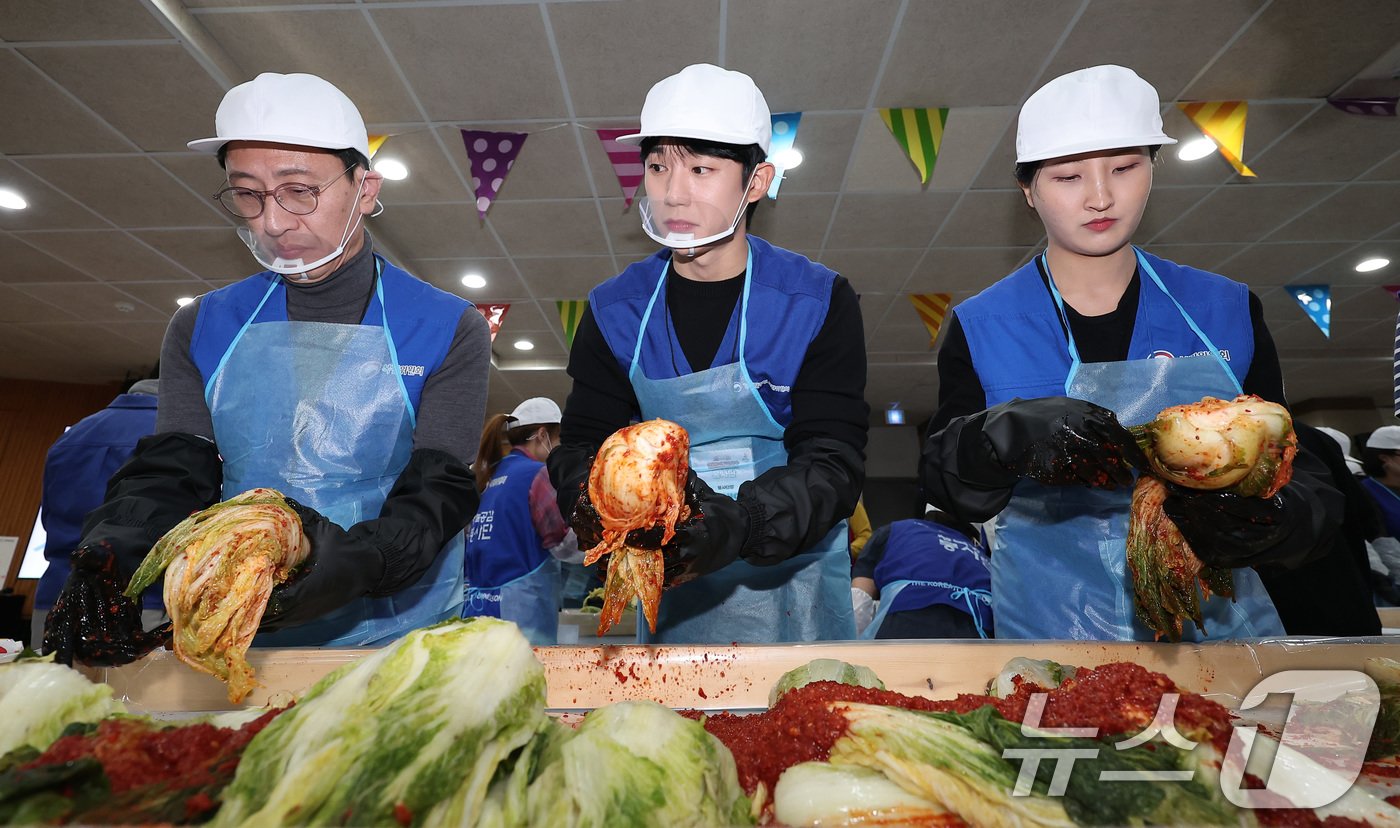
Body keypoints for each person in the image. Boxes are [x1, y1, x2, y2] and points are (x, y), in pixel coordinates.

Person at [46, 73, 490, 658]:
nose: (272, 222)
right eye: (248, 194)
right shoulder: (201, 324)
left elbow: (437, 487)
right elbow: (175, 467)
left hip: (398, 631)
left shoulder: (446, 325)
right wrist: (114, 547)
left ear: (364, 188)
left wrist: (356, 563)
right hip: (237, 618)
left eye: (298, 190)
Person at [920, 65, 1341, 641]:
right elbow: (948, 486)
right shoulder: (981, 324)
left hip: (1215, 623)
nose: (1099, 197)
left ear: (1151, 170)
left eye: (1123, 168)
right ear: (1029, 191)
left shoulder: (1226, 308)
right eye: (1068, 177)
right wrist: (994, 438)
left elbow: (1294, 461)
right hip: (1050, 626)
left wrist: (1283, 520)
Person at [549, 64, 868, 644]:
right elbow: (581, 447)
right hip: (665, 582)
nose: (673, 192)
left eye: (702, 169)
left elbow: (832, 460)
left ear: (756, 181)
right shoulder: (614, 310)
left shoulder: (816, 301)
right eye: (658, 166)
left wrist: (736, 525)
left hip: (792, 578)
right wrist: (601, 506)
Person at [31, 380, 162, 649]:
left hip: (56, 595)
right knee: (129, 691)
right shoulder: (171, 436)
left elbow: (49, 518)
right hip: (135, 599)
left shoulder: (71, 435)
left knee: (52, 688)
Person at [465, 398, 581, 645]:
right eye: (558, 440)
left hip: (478, 609)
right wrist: (605, 543)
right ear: (542, 435)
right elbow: (564, 546)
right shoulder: (537, 474)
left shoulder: (489, 476)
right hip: (521, 614)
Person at [1255, 423, 1379, 636]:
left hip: (1285, 601)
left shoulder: (1230, 438)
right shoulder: (1311, 437)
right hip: (1341, 593)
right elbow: (1366, 518)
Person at [851, 509, 993, 640]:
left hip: (905, 623)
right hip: (978, 633)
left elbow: (859, 600)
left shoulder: (895, 530)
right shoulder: (982, 557)